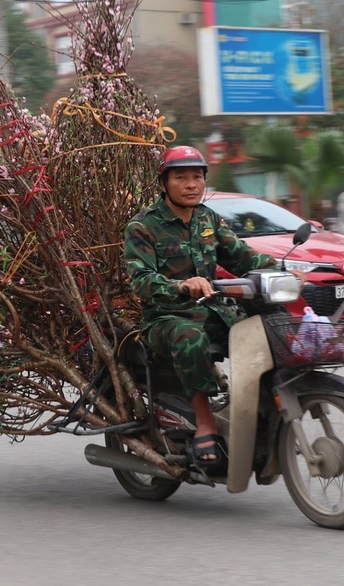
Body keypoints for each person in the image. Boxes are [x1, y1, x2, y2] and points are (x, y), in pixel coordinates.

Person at [123, 145, 302, 469]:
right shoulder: (143, 226)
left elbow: (242, 256)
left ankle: (263, 406)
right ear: (163, 183)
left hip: (212, 309)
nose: (191, 184)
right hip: (166, 317)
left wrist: (283, 271)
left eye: (197, 177)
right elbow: (141, 279)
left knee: (266, 328)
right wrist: (180, 285)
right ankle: (205, 421)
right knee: (190, 337)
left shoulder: (208, 219)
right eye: (181, 178)